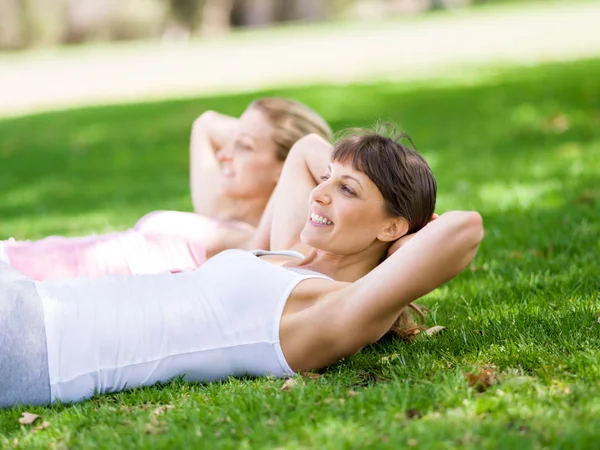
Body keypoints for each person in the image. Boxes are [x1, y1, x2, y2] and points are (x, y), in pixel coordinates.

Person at [0, 127, 484, 408]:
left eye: (347, 190)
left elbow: (464, 229)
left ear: (393, 229)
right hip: (41, 301)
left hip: (45, 346)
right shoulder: (295, 255)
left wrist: (405, 241)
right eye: (328, 179)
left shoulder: (332, 312)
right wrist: (354, 169)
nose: (319, 193)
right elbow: (305, 148)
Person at [0, 98, 332, 280]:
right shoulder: (220, 214)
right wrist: (254, 135)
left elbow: (305, 152)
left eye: (243, 146)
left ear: (283, 169)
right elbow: (205, 123)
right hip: (21, 257)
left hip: (31, 280)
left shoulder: (252, 245)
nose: (223, 154)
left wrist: (298, 157)